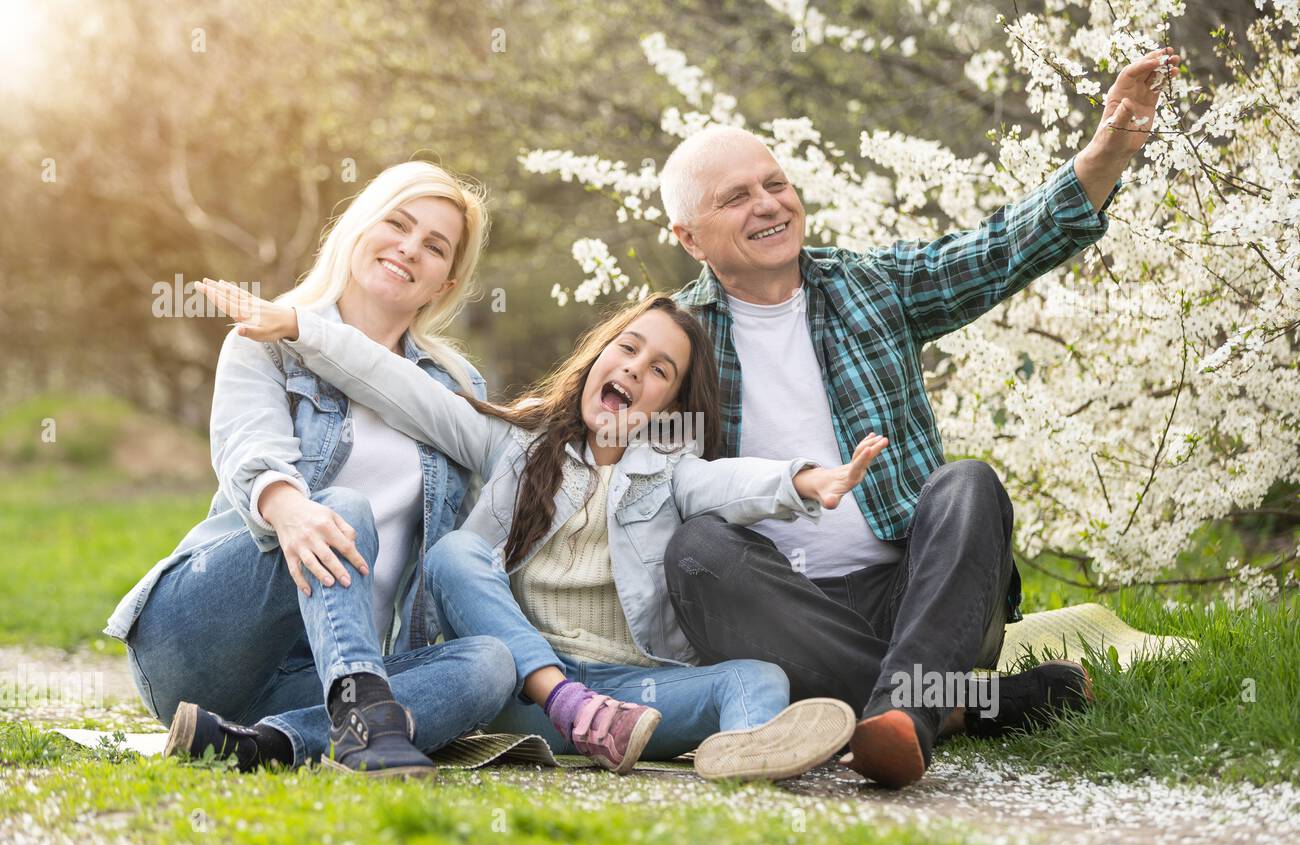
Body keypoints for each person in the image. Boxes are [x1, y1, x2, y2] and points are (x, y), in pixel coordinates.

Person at [658, 48, 1182, 787]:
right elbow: (603, 446)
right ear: (687, 236)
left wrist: (1107, 151)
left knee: (967, 483)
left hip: (923, 600)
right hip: (781, 613)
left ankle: (901, 703)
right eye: (736, 197)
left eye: (776, 183)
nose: (769, 204)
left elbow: (1000, 250)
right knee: (694, 547)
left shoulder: (870, 286)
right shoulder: (674, 340)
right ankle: (954, 707)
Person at [198, 283, 890, 780]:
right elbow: (404, 390)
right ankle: (571, 706)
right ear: (598, 356)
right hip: (524, 692)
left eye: (659, 372)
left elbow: (734, 482)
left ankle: (746, 749)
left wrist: (804, 481)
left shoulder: (673, 472)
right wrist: (301, 326)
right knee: (457, 553)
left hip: (633, 698)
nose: (633, 371)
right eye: (628, 348)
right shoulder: (515, 445)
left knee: (755, 675)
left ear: (668, 406)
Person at [104, 161, 516, 777]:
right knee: (342, 507)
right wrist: (289, 507)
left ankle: (268, 743)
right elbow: (250, 447)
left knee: (490, 664)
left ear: (443, 284)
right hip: (203, 643)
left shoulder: (455, 389)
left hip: (315, 678)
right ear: (359, 226)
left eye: (435, 247)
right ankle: (363, 718)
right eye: (398, 224)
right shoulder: (266, 333)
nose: (410, 248)